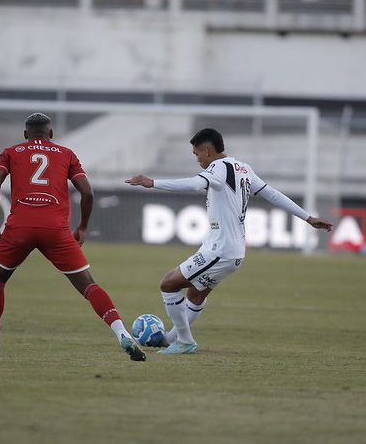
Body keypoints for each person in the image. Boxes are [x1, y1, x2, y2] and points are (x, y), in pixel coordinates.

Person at [125, 128, 333, 355]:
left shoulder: (218, 168)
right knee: (195, 294)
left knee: (168, 284)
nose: (197, 159)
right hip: (231, 250)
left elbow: (195, 184)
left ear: (207, 151)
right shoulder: (243, 168)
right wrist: (308, 217)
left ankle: (184, 341)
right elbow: (272, 194)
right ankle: (170, 339)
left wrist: (152, 182)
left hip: (220, 250)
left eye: (196, 154)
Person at [0, 113, 146, 361]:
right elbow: (87, 192)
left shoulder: (10, 152)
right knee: (89, 285)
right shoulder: (66, 154)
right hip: (56, 229)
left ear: (25, 135)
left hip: (20, 227)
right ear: (51, 134)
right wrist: (82, 226)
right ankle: (122, 333)